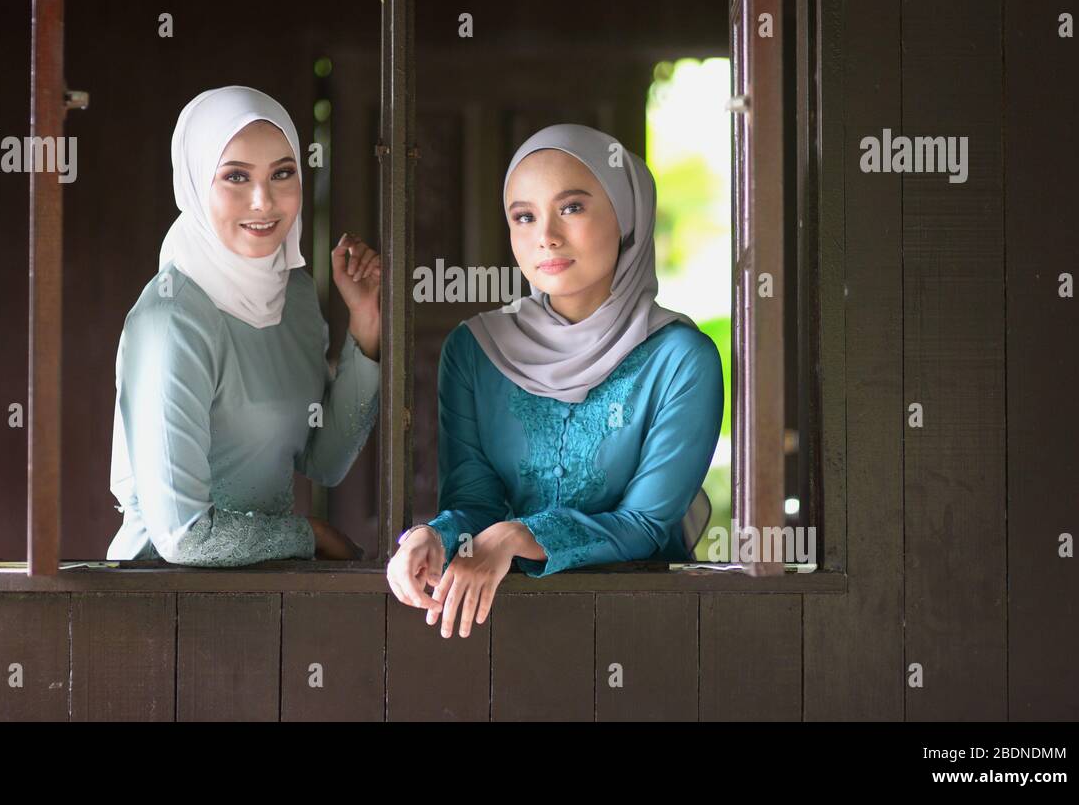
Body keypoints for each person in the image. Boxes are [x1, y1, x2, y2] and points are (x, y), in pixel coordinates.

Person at [387, 123, 723, 637]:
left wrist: (517, 535)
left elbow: (645, 526)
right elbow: (474, 505)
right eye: (524, 216)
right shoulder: (475, 351)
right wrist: (430, 537)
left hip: (647, 624)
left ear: (626, 214)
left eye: (572, 207)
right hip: (500, 625)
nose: (546, 235)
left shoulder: (680, 359)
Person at [106, 85, 380, 566]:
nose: (263, 201)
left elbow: (324, 460)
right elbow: (184, 537)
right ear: (194, 182)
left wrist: (366, 324)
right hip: (161, 598)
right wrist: (307, 535)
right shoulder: (170, 320)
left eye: (282, 174)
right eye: (235, 176)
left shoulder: (293, 296)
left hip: (271, 591)